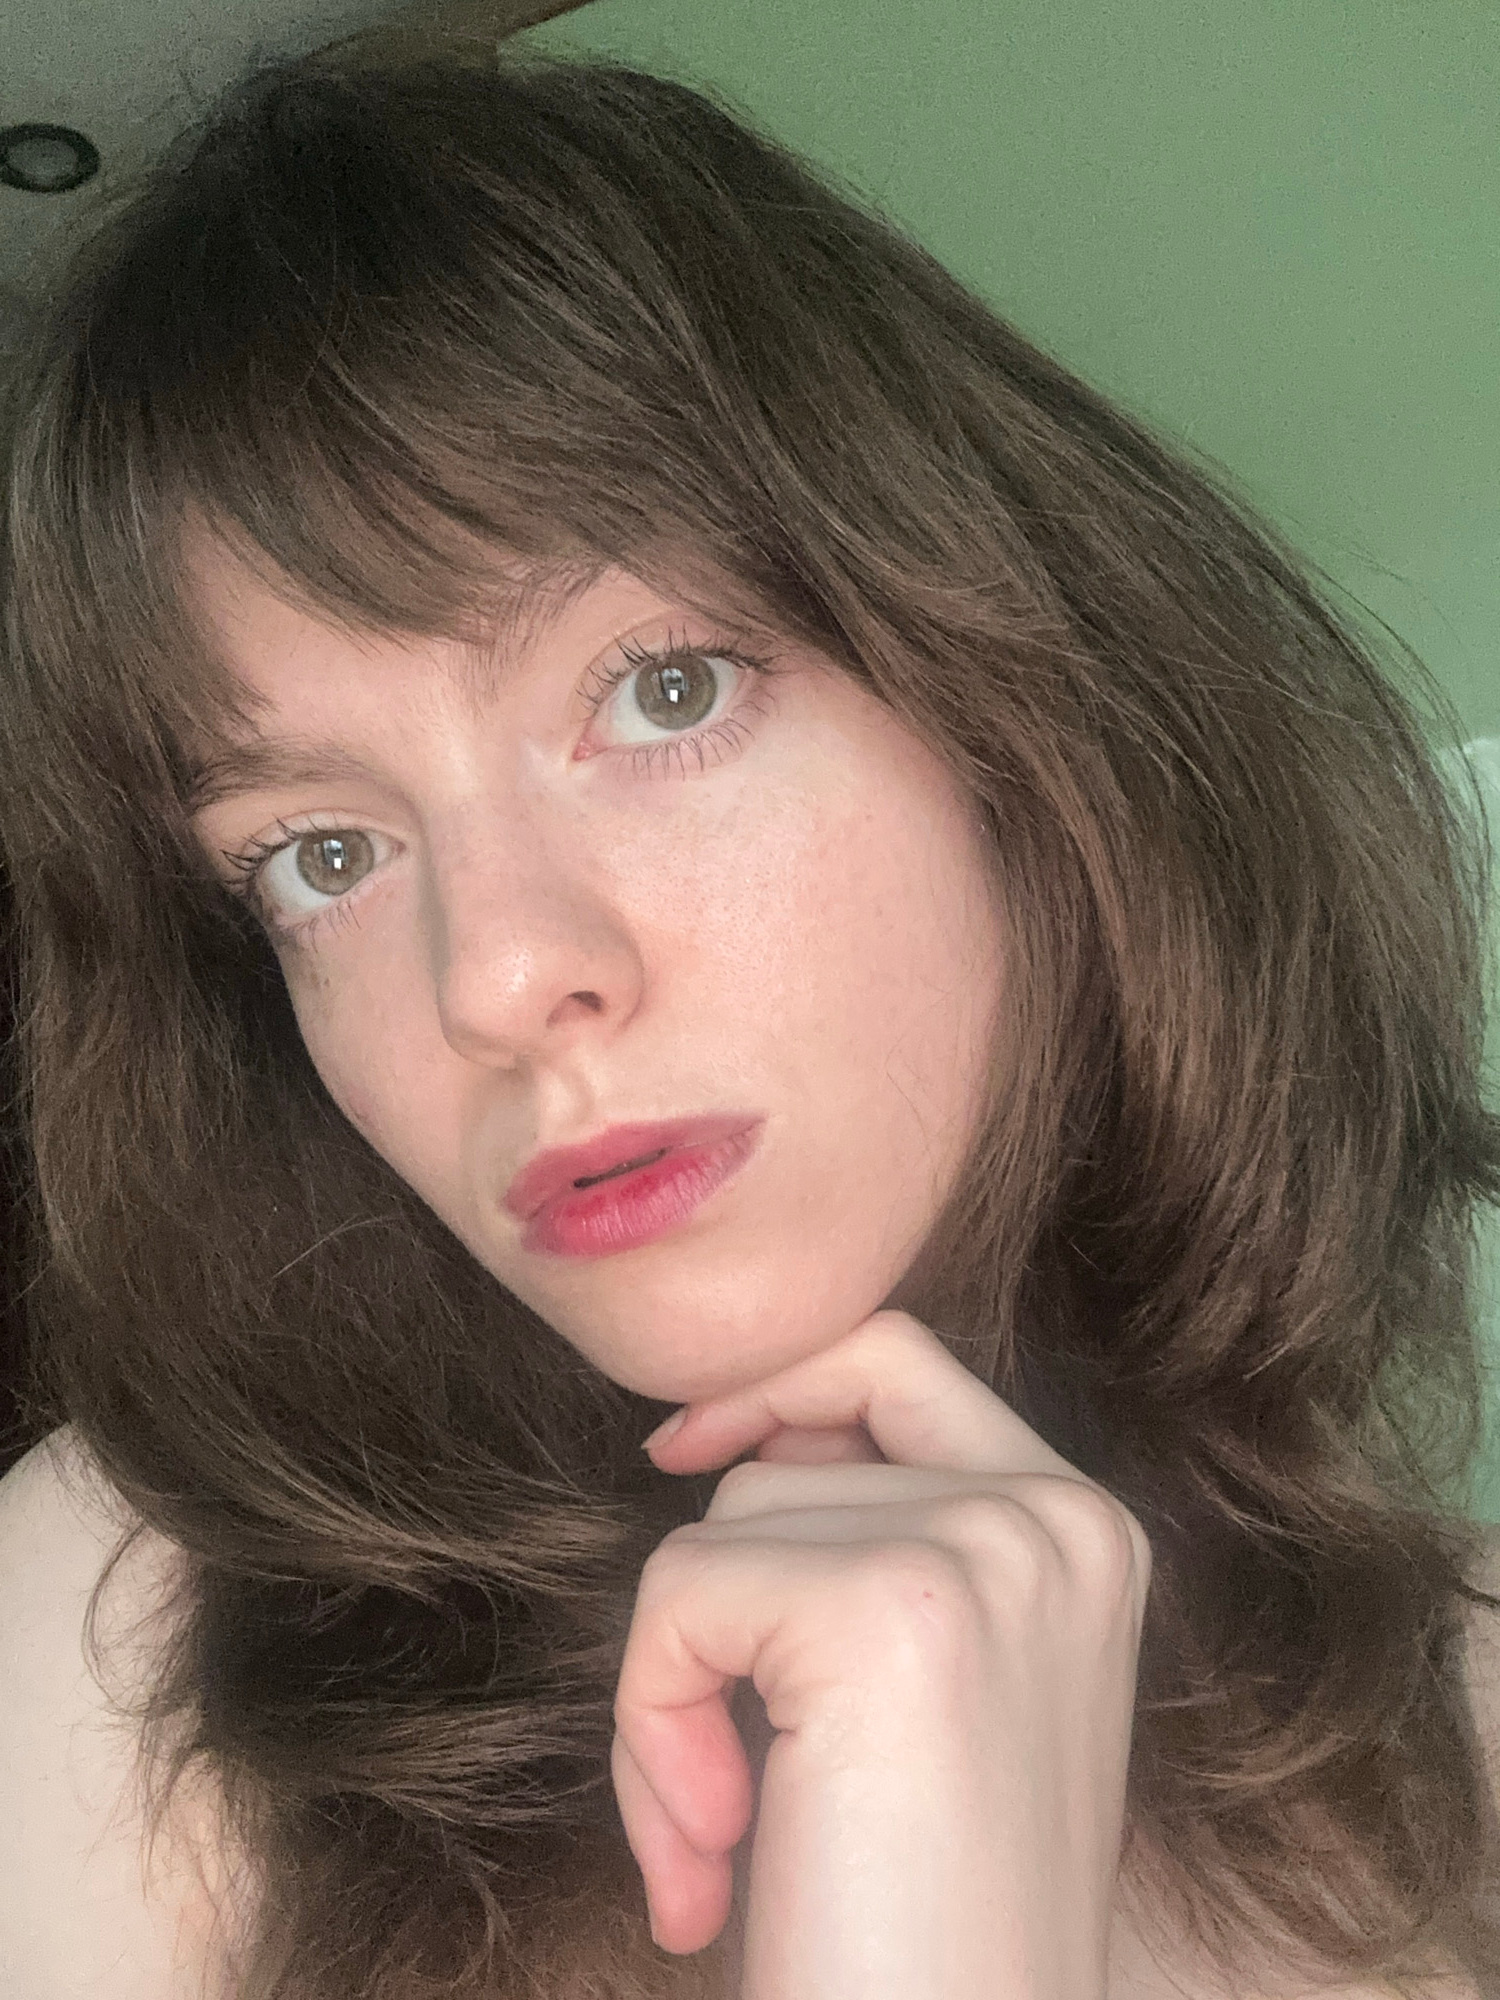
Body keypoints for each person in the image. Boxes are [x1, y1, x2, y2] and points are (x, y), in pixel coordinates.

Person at [1, 32, 1499, 2000]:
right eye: (324, 854)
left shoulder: (1464, 1709)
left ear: (1027, 726)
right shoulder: (116, 1636)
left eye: (667, 690)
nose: (495, 978)